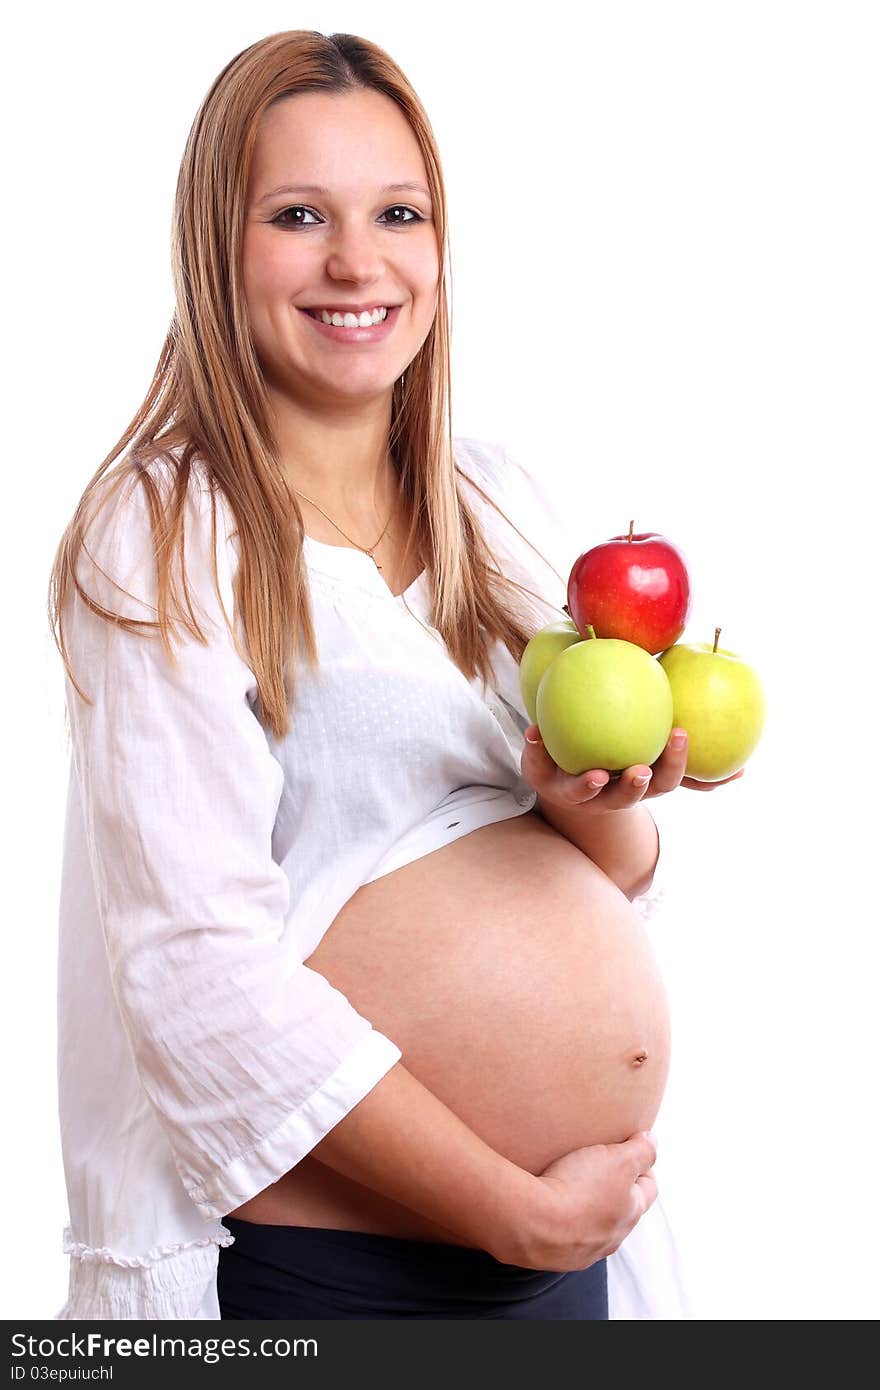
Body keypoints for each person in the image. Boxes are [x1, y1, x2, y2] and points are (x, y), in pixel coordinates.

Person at [48, 29, 735, 1321]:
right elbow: (196, 972)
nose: (358, 262)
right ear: (219, 244)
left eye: (397, 213)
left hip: (556, 1262)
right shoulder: (165, 533)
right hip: (340, 1280)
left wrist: (600, 807)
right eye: (300, 215)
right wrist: (507, 1207)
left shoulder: (498, 502)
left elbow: (611, 877)